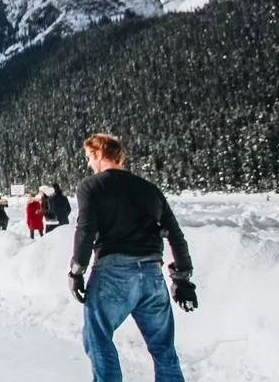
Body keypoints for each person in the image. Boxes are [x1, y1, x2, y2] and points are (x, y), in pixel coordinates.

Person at [69, 133, 197, 382]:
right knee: (163, 349)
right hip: (152, 276)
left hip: (112, 273)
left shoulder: (92, 186)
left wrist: (77, 270)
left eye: (88, 157)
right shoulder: (149, 189)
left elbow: (85, 229)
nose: (88, 163)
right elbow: (175, 234)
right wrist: (182, 278)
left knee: (98, 339)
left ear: (98, 153)